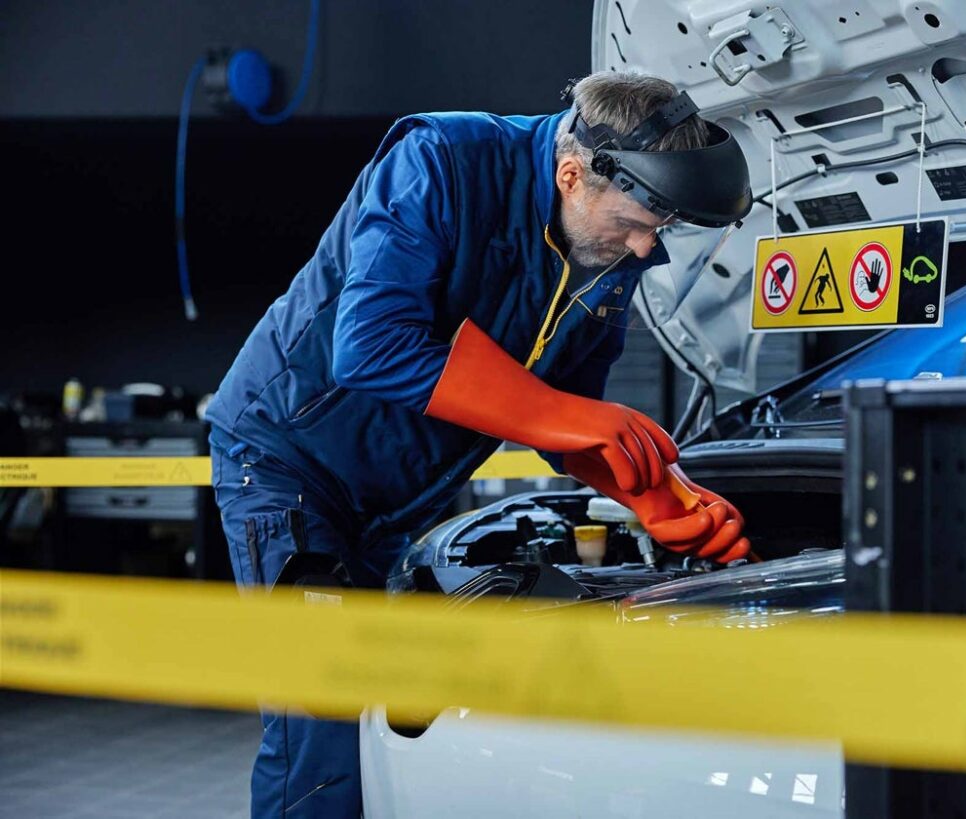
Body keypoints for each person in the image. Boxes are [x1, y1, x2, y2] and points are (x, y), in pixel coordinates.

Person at [206, 70, 753, 817]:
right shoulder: (439, 160)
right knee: (321, 719)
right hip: (289, 461)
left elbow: (568, 416)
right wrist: (570, 419)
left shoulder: (605, 250)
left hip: (396, 497)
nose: (643, 247)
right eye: (634, 223)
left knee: (385, 717)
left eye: (658, 229)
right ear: (572, 175)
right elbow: (368, 346)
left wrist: (652, 493)